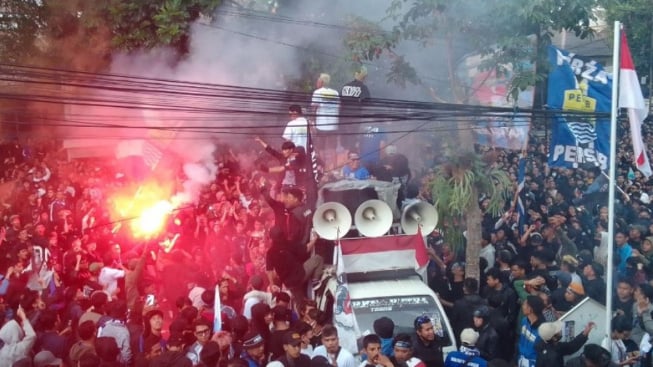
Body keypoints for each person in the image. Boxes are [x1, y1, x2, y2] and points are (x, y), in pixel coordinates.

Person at [339, 66, 371, 153]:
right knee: (352, 140)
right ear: (364, 76)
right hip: (354, 118)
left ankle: (345, 157)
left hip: (342, 118)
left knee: (344, 140)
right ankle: (350, 157)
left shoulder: (345, 86)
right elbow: (367, 102)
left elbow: (339, 101)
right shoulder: (363, 88)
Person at [311, 73, 340, 153]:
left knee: (320, 148)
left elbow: (314, 109)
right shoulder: (335, 93)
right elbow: (338, 107)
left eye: (318, 81)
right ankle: (334, 165)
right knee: (332, 149)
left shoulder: (317, 92)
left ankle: (323, 165)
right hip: (333, 125)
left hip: (322, 125)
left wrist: (312, 122)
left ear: (322, 82)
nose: (317, 82)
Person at [517, 295, 544, 367]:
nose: (522, 306)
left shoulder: (542, 330)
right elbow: (521, 340)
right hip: (521, 359)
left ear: (530, 309)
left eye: (524, 304)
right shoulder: (524, 321)